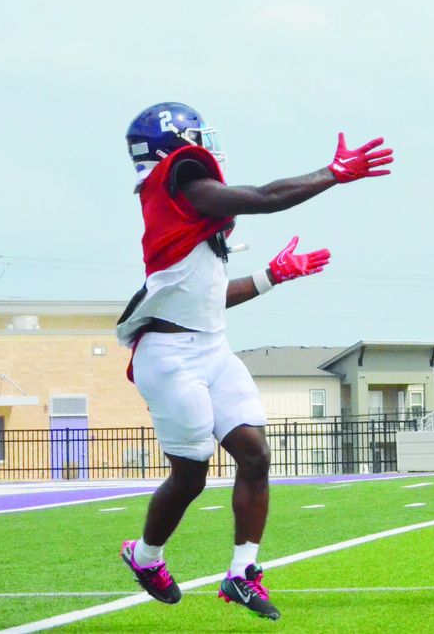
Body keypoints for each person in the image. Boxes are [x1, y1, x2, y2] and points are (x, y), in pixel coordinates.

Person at [115, 102, 392, 619]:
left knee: (255, 455)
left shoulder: (184, 211)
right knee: (192, 476)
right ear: (172, 144)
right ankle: (146, 554)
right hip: (171, 356)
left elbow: (206, 295)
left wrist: (273, 275)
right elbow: (263, 198)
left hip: (211, 347)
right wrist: (332, 174)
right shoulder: (179, 176)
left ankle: (242, 573)